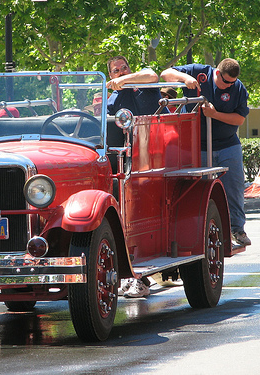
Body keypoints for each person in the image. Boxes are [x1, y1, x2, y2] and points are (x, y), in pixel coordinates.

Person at [161, 58, 251, 248]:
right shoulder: (199, 72)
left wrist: (215, 114)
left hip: (228, 145)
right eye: (226, 82)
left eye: (232, 83)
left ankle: (237, 229)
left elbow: (240, 119)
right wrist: (185, 79)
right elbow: (165, 74)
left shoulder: (238, 88)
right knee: (195, 189)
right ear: (217, 73)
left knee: (234, 187)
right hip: (196, 146)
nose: (229, 86)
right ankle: (196, 232)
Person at [106, 56, 163, 299]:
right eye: (115, 71)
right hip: (124, 160)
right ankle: (130, 276)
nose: (121, 72)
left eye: (124, 68)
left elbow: (152, 74)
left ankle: (141, 279)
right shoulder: (112, 97)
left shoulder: (144, 81)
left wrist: (125, 80)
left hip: (153, 155)